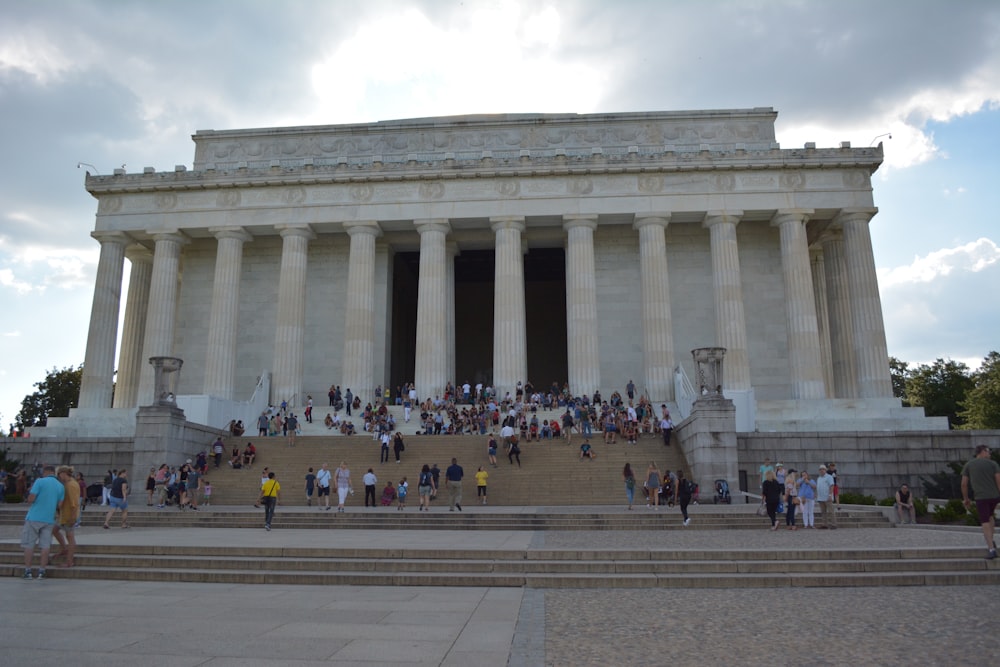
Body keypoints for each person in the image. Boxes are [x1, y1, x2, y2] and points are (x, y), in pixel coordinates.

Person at [21, 464, 64, 579]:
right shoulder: (60, 486)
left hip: (34, 517)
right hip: (49, 518)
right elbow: (60, 505)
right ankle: (41, 571)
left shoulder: (40, 481)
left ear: (45, 472)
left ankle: (28, 571)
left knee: (29, 545)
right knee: (45, 546)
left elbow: (31, 499)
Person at [961, 444, 1000, 559]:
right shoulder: (993, 464)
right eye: (988, 451)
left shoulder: (969, 465)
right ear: (982, 451)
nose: (989, 454)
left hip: (981, 497)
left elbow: (964, 484)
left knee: (985, 522)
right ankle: (991, 540)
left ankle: (991, 549)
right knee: (990, 516)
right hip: (994, 496)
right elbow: (998, 480)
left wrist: (966, 499)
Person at [815, 464, 837, 529]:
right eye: (820, 469)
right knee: (823, 512)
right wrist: (817, 494)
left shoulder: (829, 477)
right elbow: (818, 487)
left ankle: (834, 524)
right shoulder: (819, 478)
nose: (822, 470)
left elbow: (831, 486)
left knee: (831, 511)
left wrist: (830, 495)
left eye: (823, 469)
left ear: (825, 470)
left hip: (827, 497)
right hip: (820, 497)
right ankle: (824, 524)